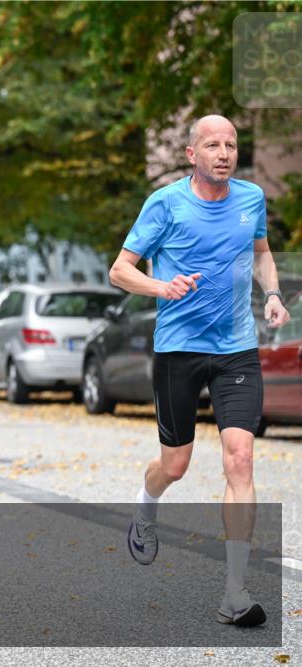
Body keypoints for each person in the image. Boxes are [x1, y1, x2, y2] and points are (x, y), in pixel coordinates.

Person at [110, 115, 291, 628]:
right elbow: (120, 270)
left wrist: (272, 294)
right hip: (179, 350)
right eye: (212, 144)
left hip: (235, 348)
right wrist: (161, 287)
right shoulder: (165, 204)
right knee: (175, 465)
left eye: (231, 144)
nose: (224, 152)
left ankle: (235, 592)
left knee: (241, 458)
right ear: (192, 154)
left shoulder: (251, 199)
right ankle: (146, 507)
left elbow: (261, 254)